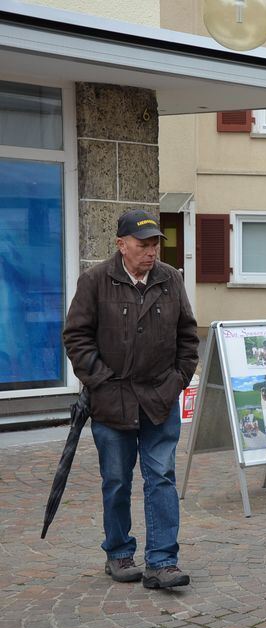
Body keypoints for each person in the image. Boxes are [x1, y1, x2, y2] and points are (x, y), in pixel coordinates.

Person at [63, 210, 199, 588]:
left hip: (160, 399)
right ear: (121, 245)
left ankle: (163, 561)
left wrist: (176, 382)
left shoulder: (170, 279)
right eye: (143, 245)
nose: (151, 251)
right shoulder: (94, 281)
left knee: (161, 478)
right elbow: (76, 337)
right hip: (112, 402)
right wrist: (102, 382)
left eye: (155, 244)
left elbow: (188, 338)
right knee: (117, 481)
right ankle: (119, 553)